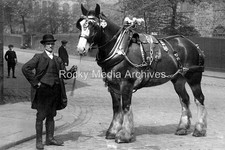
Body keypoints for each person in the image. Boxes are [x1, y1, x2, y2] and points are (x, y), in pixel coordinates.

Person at [22, 34, 77, 150]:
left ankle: (50, 139)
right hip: (43, 91)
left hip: (55, 91)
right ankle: (39, 142)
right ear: (44, 45)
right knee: (41, 116)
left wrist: (72, 71)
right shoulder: (38, 57)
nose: (50, 45)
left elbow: (65, 75)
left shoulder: (58, 59)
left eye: (52, 43)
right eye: (48, 44)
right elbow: (25, 68)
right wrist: (36, 82)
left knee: (51, 116)